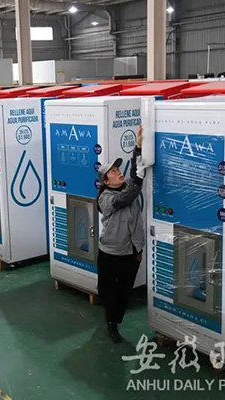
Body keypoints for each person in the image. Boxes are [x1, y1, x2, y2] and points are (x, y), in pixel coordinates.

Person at [96, 125, 146, 343]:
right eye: (113, 172)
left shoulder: (126, 189)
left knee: (125, 290)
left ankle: (115, 321)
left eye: (118, 169)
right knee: (107, 290)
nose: (118, 172)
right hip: (110, 252)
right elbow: (127, 197)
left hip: (131, 251)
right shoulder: (105, 198)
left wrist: (138, 147)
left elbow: (135, 174)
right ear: (106, 182)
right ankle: (111, 321)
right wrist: (138, 178)